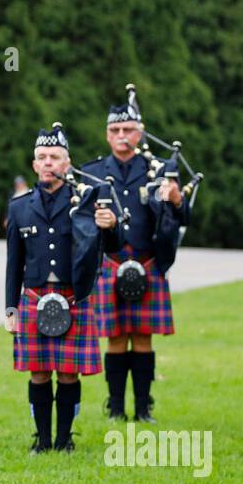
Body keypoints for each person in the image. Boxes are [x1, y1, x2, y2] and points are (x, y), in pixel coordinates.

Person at [82, 102, 187, 423]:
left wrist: (178, 200)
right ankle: (115, 407)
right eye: (115, 130)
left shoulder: (158, 170)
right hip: (111, 262)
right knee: (114, 337)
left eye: (128, 130)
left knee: (142, 337)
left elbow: (181, 217)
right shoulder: (94, 173)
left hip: (147, 260)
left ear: (140, 133)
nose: (122, 136)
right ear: (107, 135)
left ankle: (143, 408)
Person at [5, 124, 105, 452]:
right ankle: (42, 439)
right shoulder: (19, 207)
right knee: (38, 373)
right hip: (34, 297)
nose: (48, 162)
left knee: (68, 373)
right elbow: (13, 263)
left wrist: (112, 224)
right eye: (42, 157)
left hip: (72, 297)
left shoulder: (85, 202)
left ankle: (64, 439)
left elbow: (110, 244)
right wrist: (11, 309)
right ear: (34, 165)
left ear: (67, 163)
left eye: (55, 157)